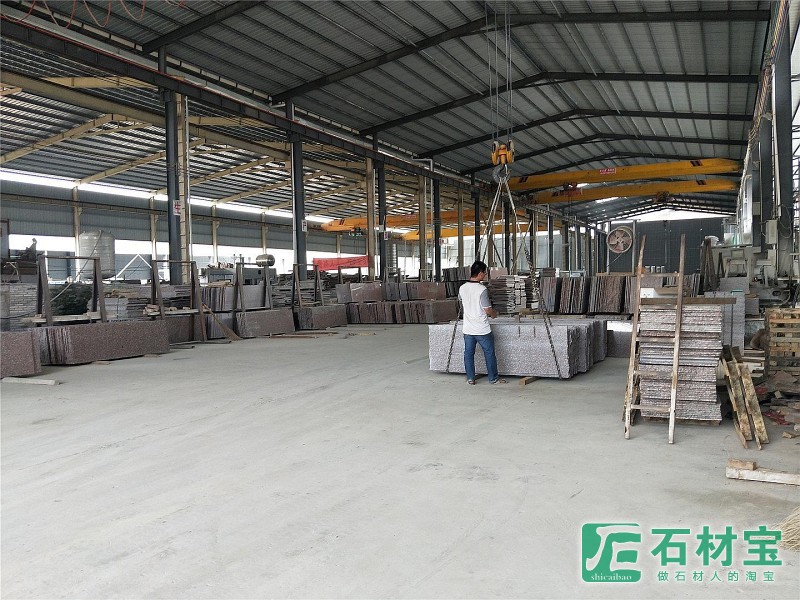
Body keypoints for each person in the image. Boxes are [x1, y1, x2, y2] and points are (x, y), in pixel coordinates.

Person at [458, 260, 505, 385]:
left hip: (468, 328)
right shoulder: (481, 289)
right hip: (481, 329)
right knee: (489, 353)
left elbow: (461, 302)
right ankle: (493, 378)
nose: (485, 275)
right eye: (484, 273)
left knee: (468, 353)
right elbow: (487, 309)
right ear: (479, 273)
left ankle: (470, 378)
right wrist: (494, 314)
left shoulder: (462, 288)